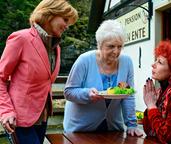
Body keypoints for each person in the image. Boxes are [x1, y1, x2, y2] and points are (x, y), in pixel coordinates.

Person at [0, 0, 78, 143]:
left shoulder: (56, 47)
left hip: (42, 117)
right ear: (49, 14)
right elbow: (1, 78)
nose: (67, 26)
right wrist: (6, 111)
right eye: (65, 19)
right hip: (19, 119)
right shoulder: (21, 38)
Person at [63, 19, 143, 136]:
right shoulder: (84, 60)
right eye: (111, 46)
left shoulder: (127, 62)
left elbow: (128, 95)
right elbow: (68, 92)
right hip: (81, 129)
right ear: (99, 45)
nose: (116, 51)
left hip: (113, 128)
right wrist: (87, 94)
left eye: (119, 46)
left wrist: (131, 124)